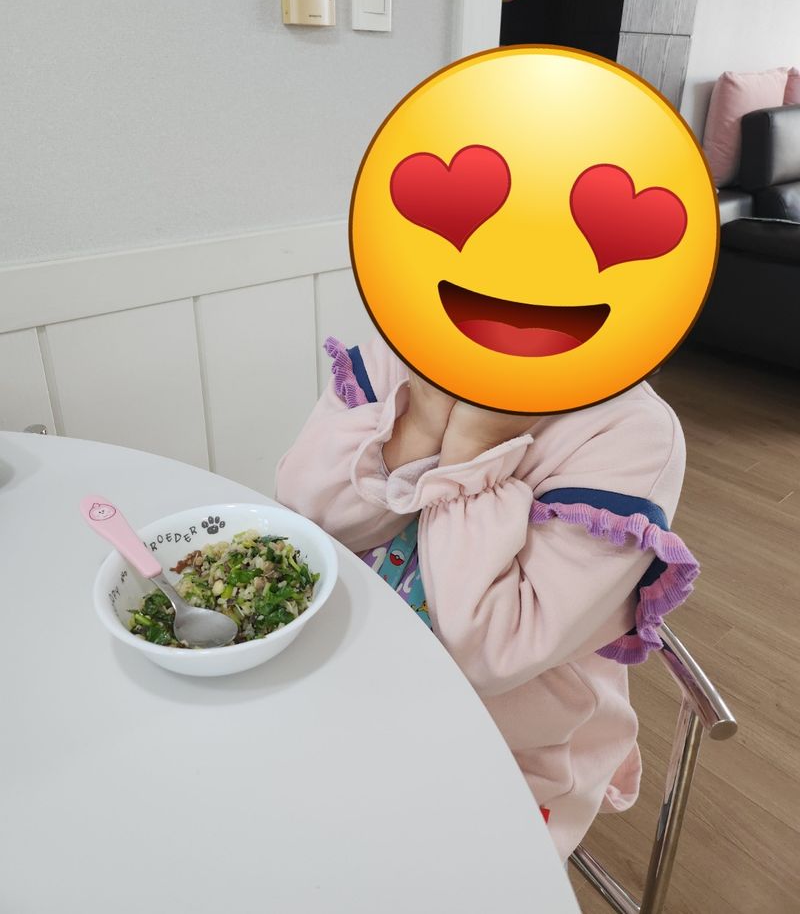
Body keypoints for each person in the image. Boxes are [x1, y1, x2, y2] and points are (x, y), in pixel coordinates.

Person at [275, 335, 698, 862]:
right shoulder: (405, 343)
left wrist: (473, 449)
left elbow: (488, 653)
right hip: (338, 687)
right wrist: (418, 426)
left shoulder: (630, 434)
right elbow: (304, 524)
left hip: (504, 748)